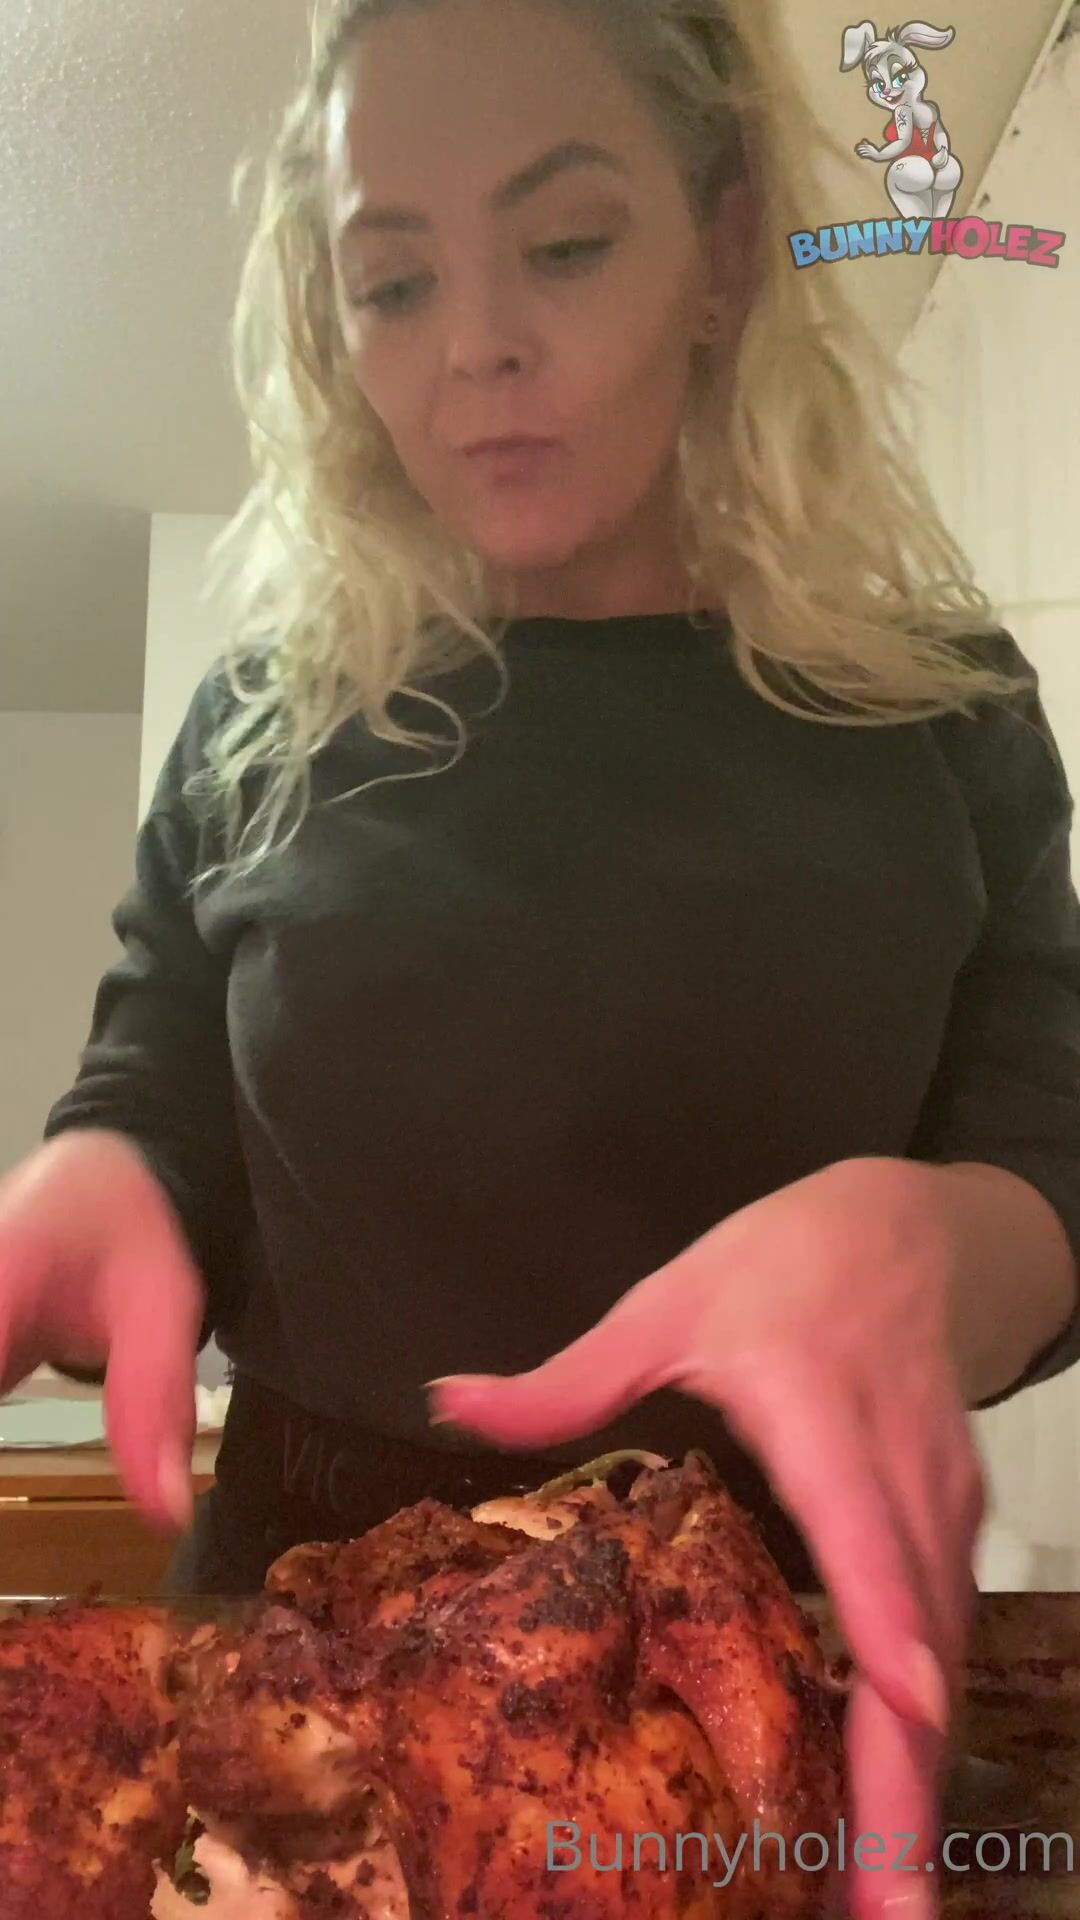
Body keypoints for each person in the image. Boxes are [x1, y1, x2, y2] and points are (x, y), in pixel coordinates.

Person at [2, 0, 1078, 1911]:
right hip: (296, 1685)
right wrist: (105, 1180)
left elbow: (1050, 1127)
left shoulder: (941, 711)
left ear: (723, 248)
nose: (476, 343)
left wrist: (965, 1245)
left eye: (565, 243)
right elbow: (158, 1074)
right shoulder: (268, 717)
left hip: (749, 1690)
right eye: (394, 282)